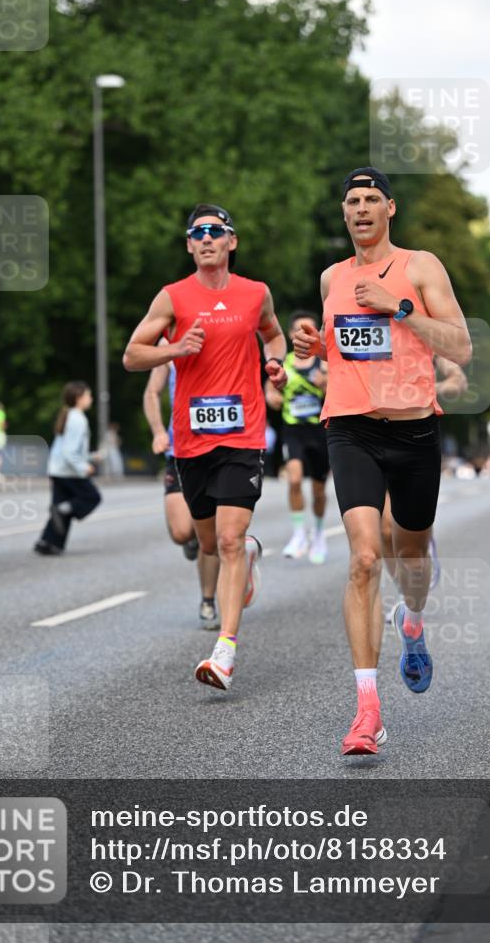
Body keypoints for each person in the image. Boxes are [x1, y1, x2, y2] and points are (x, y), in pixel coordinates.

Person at [294, 167, 471, 755]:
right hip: (350, 430)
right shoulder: (331, 278)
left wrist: (399, 309)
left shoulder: (421, 267)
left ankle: (412, 621)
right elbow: (339, 348)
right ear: (344, 213)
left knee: (410, 551)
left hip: (415, 431)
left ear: (390, 209)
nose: (362, 208)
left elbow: (460, 345)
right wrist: (308, 352)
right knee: (366, 558)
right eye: (352, 200)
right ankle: (367, 713)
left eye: (372, 199)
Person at [124, 203, 287, 690]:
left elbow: (273, 335)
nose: (208, 239)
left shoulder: (255, 293)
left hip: (243, 436)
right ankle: (248, 558)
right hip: (191, 442)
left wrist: (275, 363)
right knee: (209, 544)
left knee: (231, 540)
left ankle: (225, 650)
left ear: (231, 241)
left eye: (217, 231)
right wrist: (174, 350)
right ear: (190, 245)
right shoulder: (173, 298)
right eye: (199, 233)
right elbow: (133, 355)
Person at [381, 356, 468, 615]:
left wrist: (433, 387)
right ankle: (403, 595)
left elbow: (458, 381)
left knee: (406, 533)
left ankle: (420, 545)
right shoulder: (363, 321)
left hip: (415, 436)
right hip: (367, 432)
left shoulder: (420, 329)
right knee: (385, 530)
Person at [143, 358, 221, 628]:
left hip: (220, 447)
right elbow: (152, 391)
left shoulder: (223, 334)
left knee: (212, 535)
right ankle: (194, 540)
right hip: (180, 450)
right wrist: (157, 431)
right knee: (181, 532)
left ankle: (208, 600)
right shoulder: (170, 346)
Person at [265, 310, 330, 565]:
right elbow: (269, 387)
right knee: (293, 480)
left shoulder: (324, 364)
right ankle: (299, 533)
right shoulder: (285, 363)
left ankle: (320, 533)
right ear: (292, 335)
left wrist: (326, 383)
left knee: (318, 489)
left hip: (319, 430)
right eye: (299, 331)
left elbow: (341, 387)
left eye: (310, 330)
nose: (304, 335)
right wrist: (272, 396)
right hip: (293, 431)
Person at [34, 381, 102, 555]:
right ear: (79, 398)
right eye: (88, 395)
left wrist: (91, 457)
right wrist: (83, 467)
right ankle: (62, 511)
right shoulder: (78, 419)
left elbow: (69, 448)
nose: (91, 399)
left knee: (62, 508)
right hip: (69, 471)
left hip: (57, 469)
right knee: (91, 497)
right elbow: (69, 451)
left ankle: (48, 543)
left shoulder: (69, 415)